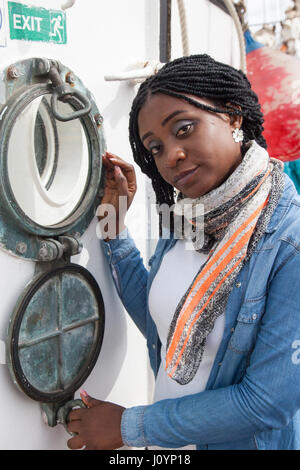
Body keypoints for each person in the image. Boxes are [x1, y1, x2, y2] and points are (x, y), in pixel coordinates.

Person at [66, 54, 300, 450]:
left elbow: (266, 403)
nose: (171, 156)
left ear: (233, 116)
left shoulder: (288, 243)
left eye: (184, 129)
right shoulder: (191, 216)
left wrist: (126, 426)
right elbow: (168, 325)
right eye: (155, 148)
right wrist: (113, 229)